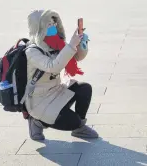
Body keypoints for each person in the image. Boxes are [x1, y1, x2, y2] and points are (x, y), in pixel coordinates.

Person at [24, 9, 98, 141]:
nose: (53, 28)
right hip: (40, 100)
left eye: (54, 25)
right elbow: (53, 67)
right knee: (72, 121)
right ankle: (37, 121)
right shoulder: (32, 51)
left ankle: (79, 128)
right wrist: (70, 45)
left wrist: (81, 44)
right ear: (39, 29)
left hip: (56, 91)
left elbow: (75, 58)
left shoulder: (55, 44)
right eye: (49, 26)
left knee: (84, 89)